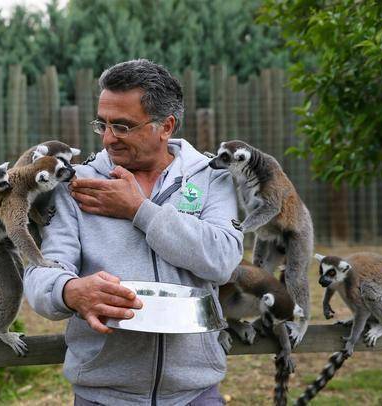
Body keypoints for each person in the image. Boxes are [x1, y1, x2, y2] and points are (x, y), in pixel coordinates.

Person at [24, 59, 243, 406]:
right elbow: (39, 272)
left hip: (194, 394)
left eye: (122, 127)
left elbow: (224, 261)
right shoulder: (76, 184)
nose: (109, 138)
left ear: (166, 126)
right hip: (102, 396)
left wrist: (139, 210)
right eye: (103, 124)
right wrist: (69, 290)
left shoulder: (211, 177)